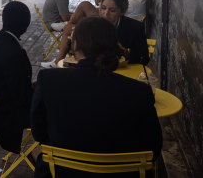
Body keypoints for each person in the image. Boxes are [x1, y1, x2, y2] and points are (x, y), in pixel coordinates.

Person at [31, 17, 162, 178]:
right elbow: (153, 148)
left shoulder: (48, 80)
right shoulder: (140, 91)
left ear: (75, 44)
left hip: (61, 171)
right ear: (115, 47)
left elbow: (39, 133)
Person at [0, 1, 34, 153]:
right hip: (7, 113)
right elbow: (20, 96)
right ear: (25, 26)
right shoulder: (14, 54)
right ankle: (38, 154)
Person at [100, 0, 149, 65]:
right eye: (103, 8)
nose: (106, 13)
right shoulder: (93, 25)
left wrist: (126, 54)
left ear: (122, 11)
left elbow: (144, 59)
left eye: (112, 10)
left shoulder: (135, 27)